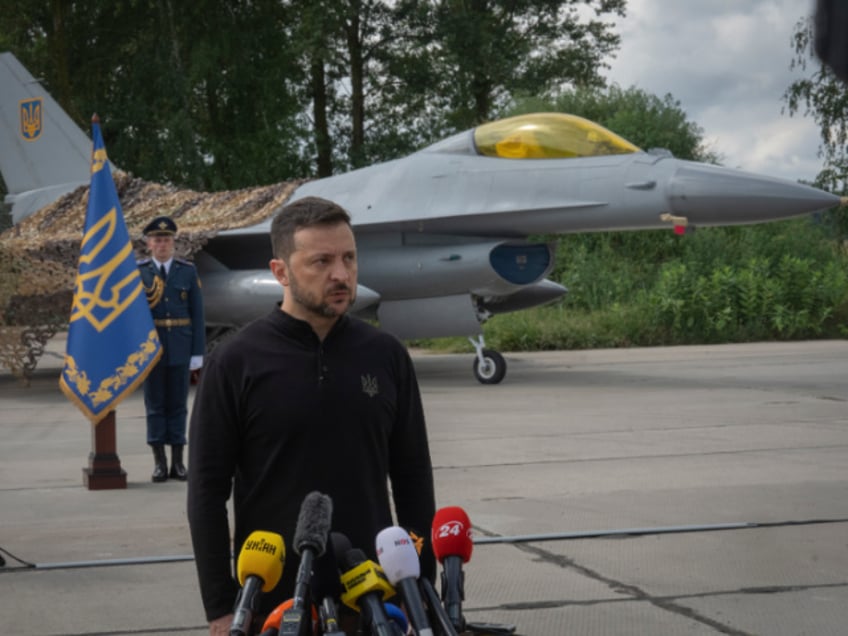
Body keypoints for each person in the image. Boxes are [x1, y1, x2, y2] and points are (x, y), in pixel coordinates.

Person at [187, 196, 436, 635]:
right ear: (280, 270)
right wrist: (221, 608)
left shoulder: (386, 356)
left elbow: (413, 477)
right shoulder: (235, 362)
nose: (340, 274)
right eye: (321, 261)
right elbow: (206, 493)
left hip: (374, 599)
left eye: (348, 258)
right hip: (272, 604)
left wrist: (422, 591)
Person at [138, 215, 205, 483]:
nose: (162, 244)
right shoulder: (139, 271)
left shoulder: (186, 271)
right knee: (155, 406)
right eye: (157, 239)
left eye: (166, 239)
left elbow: (197, 313)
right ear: (148, 243)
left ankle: (178, 463)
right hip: (151, 348)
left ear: (173, 242)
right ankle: (159, 463)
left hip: (180, 344)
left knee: (178, 405)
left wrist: (197, 352)